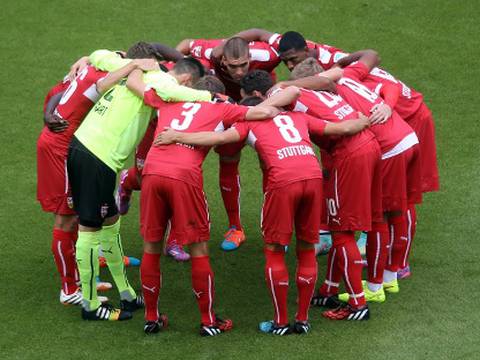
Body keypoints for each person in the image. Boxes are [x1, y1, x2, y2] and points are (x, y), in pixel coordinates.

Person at [155, 90, 371, 334]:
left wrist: (177, 135)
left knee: (275, 251)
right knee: (306, 247)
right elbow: (340, 129)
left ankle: (280, 323)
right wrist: (364, 121)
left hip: (283, 182)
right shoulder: (298, 118)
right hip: (312, 177)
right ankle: (303, 320)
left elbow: (217, 139)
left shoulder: (248, 123)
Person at [126, 73, 283, 335]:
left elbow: (133, 83)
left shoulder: (170, 100)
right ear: (218, 93)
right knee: (198, 249)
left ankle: (151, 317)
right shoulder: (221, 107)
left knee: (151, 247)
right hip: (184, 175)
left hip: (152, 172)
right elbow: (266, 112)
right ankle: (208, 321)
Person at [67, 45, 213, 321]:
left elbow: (100, 55)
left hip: (86, 147)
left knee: (110, 221)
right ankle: (89, 304)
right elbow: (172, 93)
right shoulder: (160, 78)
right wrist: (211, 97)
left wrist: (91, 56)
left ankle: (126, 293)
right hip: (97, 155)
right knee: (89, 227)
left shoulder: (137, 66)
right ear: (186, 79)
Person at [281, 55, 422, 302]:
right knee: (396, 211)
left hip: (387, 147)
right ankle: (389, 278)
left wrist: (284, 88)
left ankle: (376, 286)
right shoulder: (348, 75)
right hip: (406, 137)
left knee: (378, 217)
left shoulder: (327, 96)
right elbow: (377, 64)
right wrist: (387, 103)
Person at [37, 55, 155, 305]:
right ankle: (69, 290)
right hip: (60, 147)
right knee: (66, 218)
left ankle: (79, 278)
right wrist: (133, 67)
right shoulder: (104, 77)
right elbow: (97, 87)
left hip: (64, 142)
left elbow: (59, 90)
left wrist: (49, 112)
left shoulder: (88, 68)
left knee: (78, 214)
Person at [176, 37, 281, 250]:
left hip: (264, 109)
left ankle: (277, 228)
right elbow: (185, 45)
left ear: (250, 57)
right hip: (229, 111)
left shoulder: (267, 55)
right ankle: (236, 228)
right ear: (223, 61)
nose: (240, 71)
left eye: (244, 64)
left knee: (272, 164)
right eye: (234, 66)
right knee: (228, 159)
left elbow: (296, 48)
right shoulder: (209, 54)